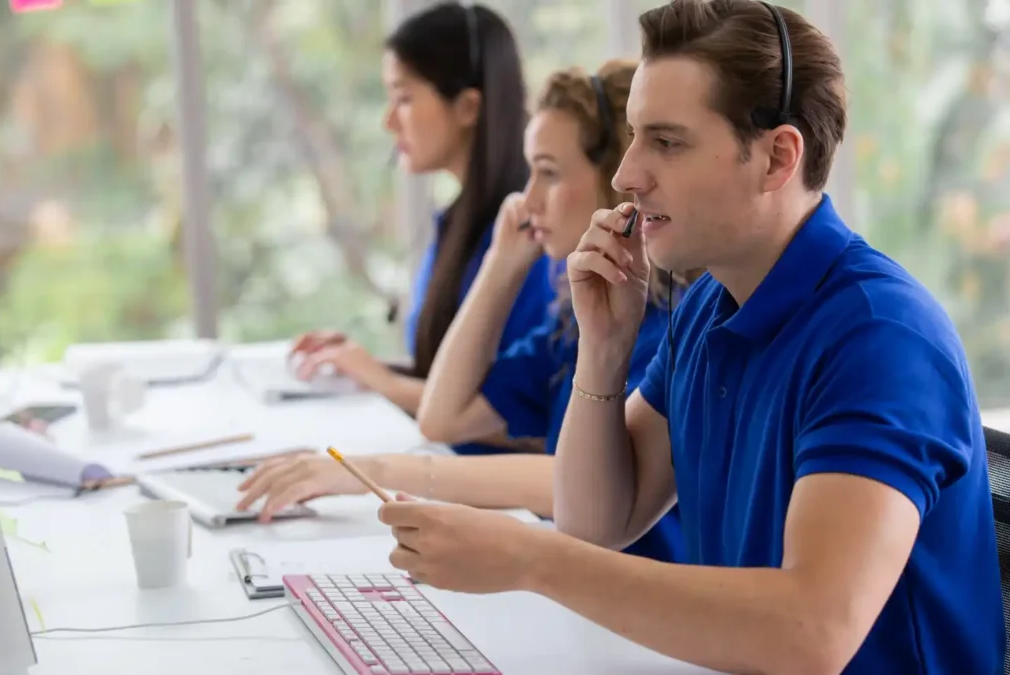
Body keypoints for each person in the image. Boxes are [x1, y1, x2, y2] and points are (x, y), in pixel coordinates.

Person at [374, 2, 1007, 674]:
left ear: (776, 157)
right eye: (633, 136)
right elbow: (598, 521)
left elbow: (810, 630)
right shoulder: (709, 306)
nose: (626, 174)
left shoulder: (881, 339)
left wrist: (529, 558)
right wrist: (605, 344)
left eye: (666, 142)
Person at [238, 61, 695, 561]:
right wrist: (501, 266)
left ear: (618, 184)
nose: (527, 201)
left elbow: (575, 481)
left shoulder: (672, 328)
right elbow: (444, 418)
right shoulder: (576, 321)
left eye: (548, 173)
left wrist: (373, 472)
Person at [286, 2, 552, 439]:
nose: (389, 121)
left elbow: (518, 416)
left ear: (468, 107)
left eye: (405, 98)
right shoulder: (457, 223)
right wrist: (364, 363)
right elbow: (447, 373)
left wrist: (383, 381)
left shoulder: (529, 240)